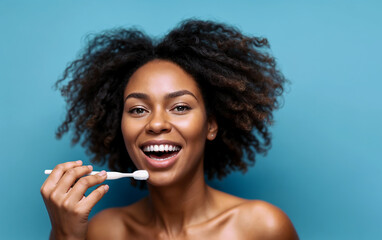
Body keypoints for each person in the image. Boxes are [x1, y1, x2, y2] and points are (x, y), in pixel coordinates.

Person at [40, 19, 298, 239]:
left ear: (211, 125)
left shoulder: (263, 228)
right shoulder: (105, 231)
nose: (156, 124)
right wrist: (65, 236)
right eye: (138, 110)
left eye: (180, 107)